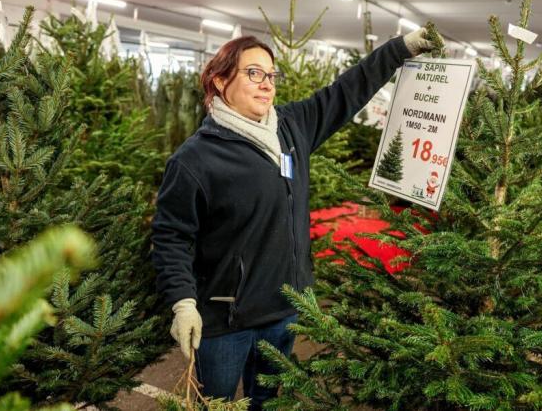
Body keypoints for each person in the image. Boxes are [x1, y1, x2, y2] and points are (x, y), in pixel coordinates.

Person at [151, 27, 436, 409]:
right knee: (215, 403)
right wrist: (183, 302)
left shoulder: (291, 127)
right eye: (254, 73)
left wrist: (400, 48)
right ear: (220, 81)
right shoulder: (194, 160)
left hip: (286, 308)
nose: (266, 83)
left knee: (269, 402)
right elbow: (171, 237)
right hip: (225, 320)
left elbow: (348, 90)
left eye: (271, 75)